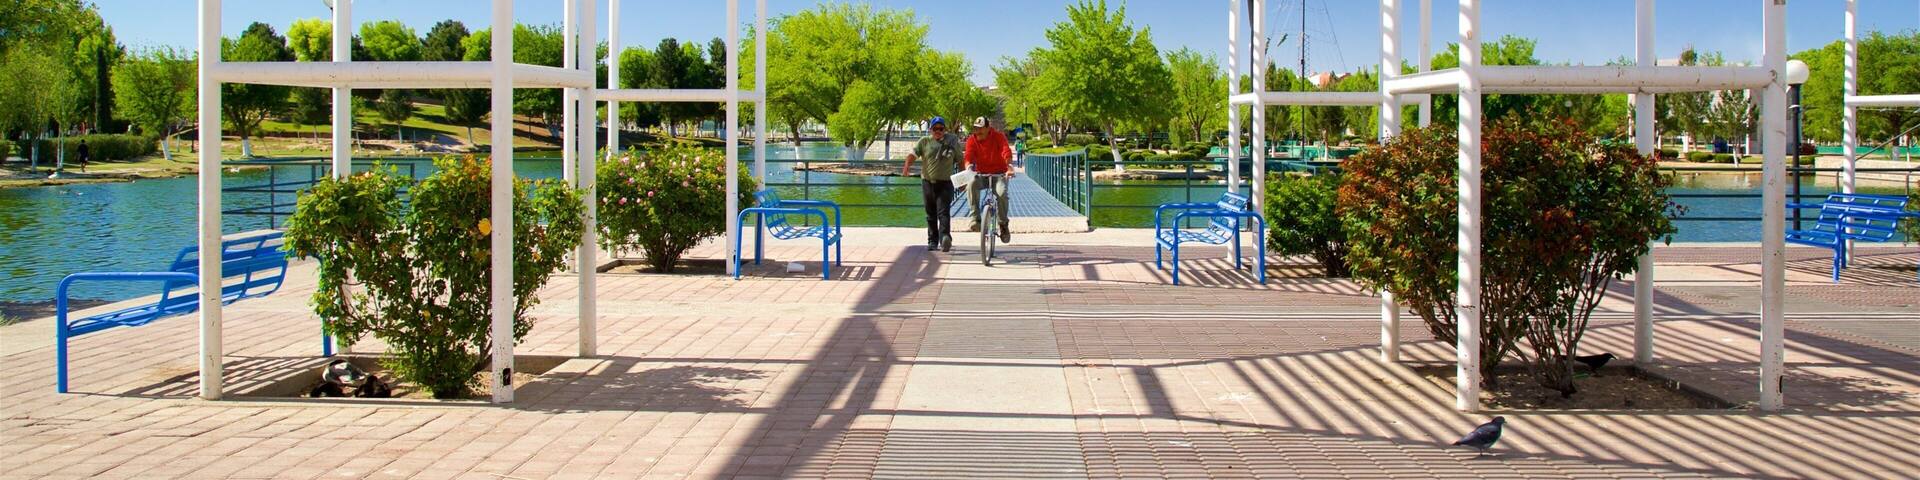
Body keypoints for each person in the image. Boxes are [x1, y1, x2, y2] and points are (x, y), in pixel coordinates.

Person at [902, 116, 963, 252]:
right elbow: (913, 154)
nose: (938, 131)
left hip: (946, 183)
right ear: (930, 130)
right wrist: (907, 165)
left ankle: (945, 238)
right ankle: (932, 241)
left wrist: (962, 180)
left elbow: (960, 160)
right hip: (928, 183)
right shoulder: (924, 142)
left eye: (941, 128)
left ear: (944, 129)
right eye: (935, 128)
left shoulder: (952, 142)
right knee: (930, 214)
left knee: (943, 212)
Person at [963, 116, 1014, 243]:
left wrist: (1008, 167)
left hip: (999, 174)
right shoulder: (971, 140)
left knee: (1002, 193)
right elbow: (968, 155)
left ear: (988, 128)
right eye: (975, 128)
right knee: (971, 183)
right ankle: (975, 218)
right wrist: (968, 167)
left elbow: (1005, 151)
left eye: (980, 129)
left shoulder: (998, 137)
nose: (977, 131)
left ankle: (1003, 224)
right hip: (982, 174)